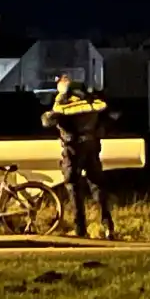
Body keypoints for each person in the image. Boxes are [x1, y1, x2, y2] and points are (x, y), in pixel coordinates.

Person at [41, 74, 115, 240]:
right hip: (92, 147)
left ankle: (80, 228)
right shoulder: (92, 101)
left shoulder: (64, 103)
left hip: (72, 150)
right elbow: (108, 118)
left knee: (73, 187)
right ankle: (108, 225)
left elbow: (48, 121)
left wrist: (49, 112)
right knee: (97, 186)